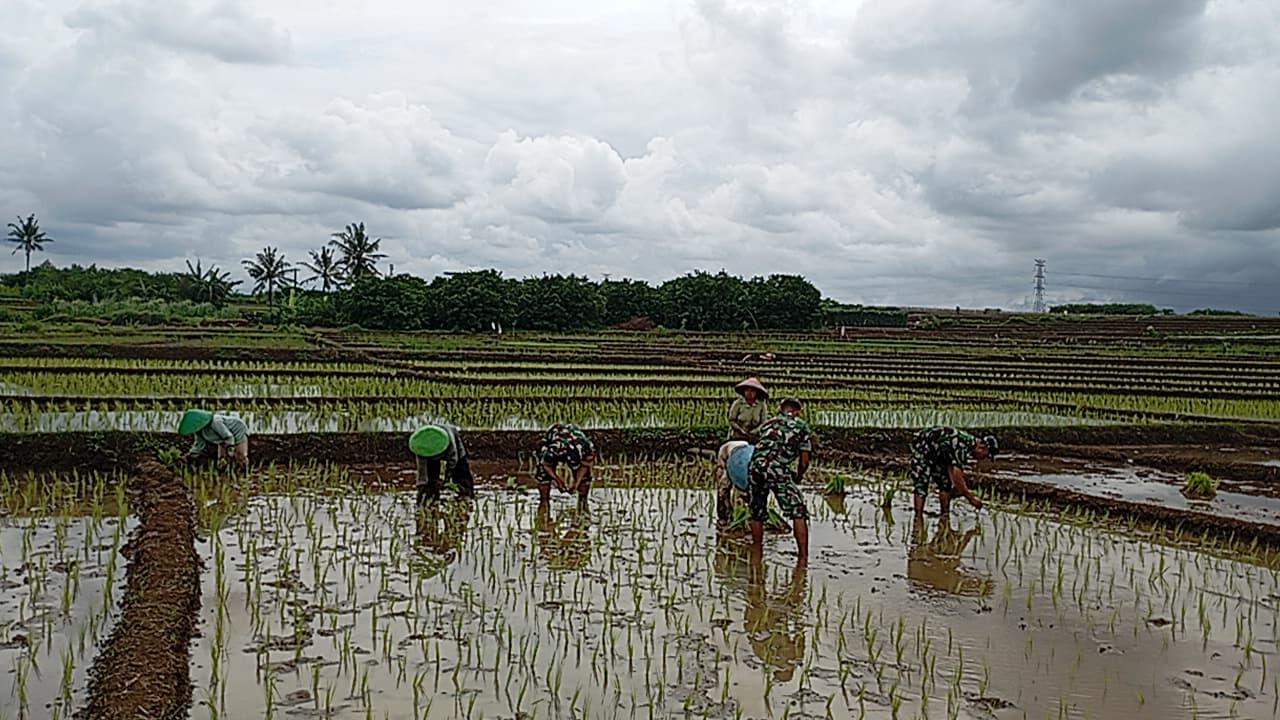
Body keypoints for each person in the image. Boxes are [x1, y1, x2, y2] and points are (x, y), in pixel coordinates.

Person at [747, 397, 812, 562]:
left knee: (756, 511)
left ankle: (757, 553)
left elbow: (763, 445)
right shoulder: (801, 426)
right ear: (797, 411)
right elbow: (804, 461)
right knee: (798, 509)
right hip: (776, 469)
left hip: (754, 466)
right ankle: (803, 558)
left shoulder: (768, 424)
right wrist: (798, 475)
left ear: (781, 409)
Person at [909, 426, 998, 517]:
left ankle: (944, 516)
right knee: (922, 483)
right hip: (923, 448)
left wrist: (959, 490)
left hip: (939, 454)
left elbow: (952, 469)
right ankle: (918, 518)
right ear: (982, 447)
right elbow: (956, 474)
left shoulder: (967, 447)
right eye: (985, 456)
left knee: (945, 484)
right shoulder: (962, 445)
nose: (982, 459)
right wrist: (970, 497)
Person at [409, 423, 475, 506]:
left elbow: (453, 461)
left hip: (456, 454)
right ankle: (431, 497)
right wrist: (422, 487)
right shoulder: (421, 447)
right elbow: (422, 472)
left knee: (461, 473)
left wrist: (446, 478)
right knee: (431, 478)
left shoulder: (450, 441)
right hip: (430, 454)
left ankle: (466, 494)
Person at [535, 423, 596, 503]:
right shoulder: (553, 449)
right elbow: (546, 465)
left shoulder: (587, 448)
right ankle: (544, 502)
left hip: (575, 445)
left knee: (585, 478)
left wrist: (576, 483)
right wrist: (558, 481)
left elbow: (585, 465)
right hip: (554, 441)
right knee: (542, 474)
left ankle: (583, 502)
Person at [178, 409, 249, 468]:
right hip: (222, 439)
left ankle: (245, 471)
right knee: (221, 459)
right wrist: (189, 455)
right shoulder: (200, 431)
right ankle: (224, 474)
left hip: (237, 431)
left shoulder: (215, 422)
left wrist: (230, 448)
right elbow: (198, 445)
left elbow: (228, 436)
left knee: (240, 456)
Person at [715, 439, 752, 524]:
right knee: (723, 489)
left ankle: (744, 516)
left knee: (746, 495)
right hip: (728, 456)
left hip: (741, 457)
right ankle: (723, 517)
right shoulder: (724, 450)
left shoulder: (748, 457)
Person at [728, 377, 770, 442]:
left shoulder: (761, 405)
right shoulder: (738, 403)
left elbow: (763, 422)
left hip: (754, 437)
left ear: (756, 392)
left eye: (752, 391)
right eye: (747, 390)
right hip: (737, 436)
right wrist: (740, 430)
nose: (749, 393)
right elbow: (731, 420)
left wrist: (755, 431)